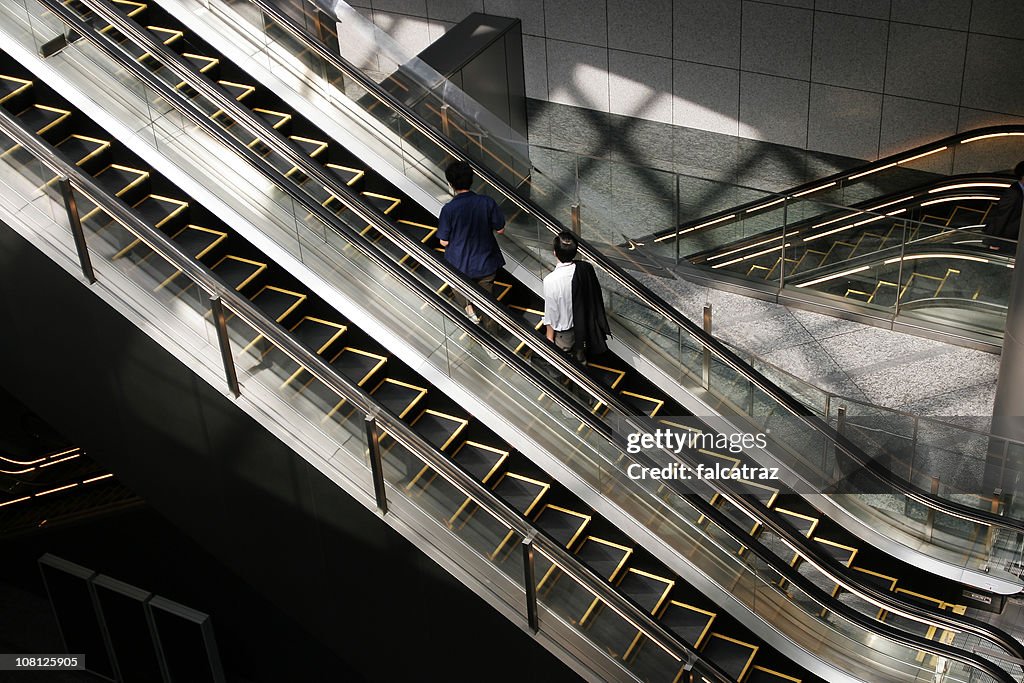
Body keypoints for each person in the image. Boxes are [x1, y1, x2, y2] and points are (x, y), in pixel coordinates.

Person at [437, 160, 505, 329]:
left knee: (456, 284)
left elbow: (443, 241)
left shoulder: (449, 209)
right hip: (485, 262)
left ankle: (469, 309)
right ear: (471, 180)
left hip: (459, 263)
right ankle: (493, 341)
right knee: (489, 303)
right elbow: (501, 229)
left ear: (451, 184)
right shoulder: (487, 202)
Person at [541, 231, 609, 363]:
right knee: (580, 357)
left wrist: (549, 338)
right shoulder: (585, 267)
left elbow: (552, 314)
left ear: (555, 252)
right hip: (583, 326)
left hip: (564, 333)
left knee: (561, 362)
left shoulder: (551, 280)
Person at [983, 160, 1024, 251]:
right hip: (1005, 240)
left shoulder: (1020, 190)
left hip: (1013, 238)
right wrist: (994, 242)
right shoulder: (1013, 193)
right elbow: (1001, 216)